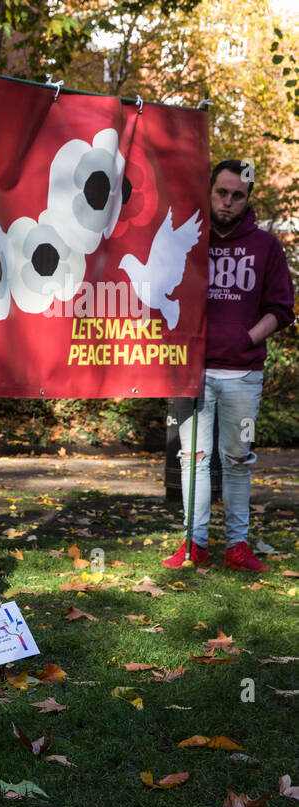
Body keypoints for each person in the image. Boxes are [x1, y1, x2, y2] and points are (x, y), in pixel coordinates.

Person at [164, 160, 295, 571]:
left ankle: (237, 545)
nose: (227, 201)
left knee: (238, 460)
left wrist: (246, 338)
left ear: (248, 198)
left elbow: (282, 309)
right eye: (221, 192)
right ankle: (194, 544)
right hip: (191, 371)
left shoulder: (266, 247)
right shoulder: (188, 240)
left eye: (237, 195)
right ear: (209, 191)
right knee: (193, 459)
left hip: (243, 376)